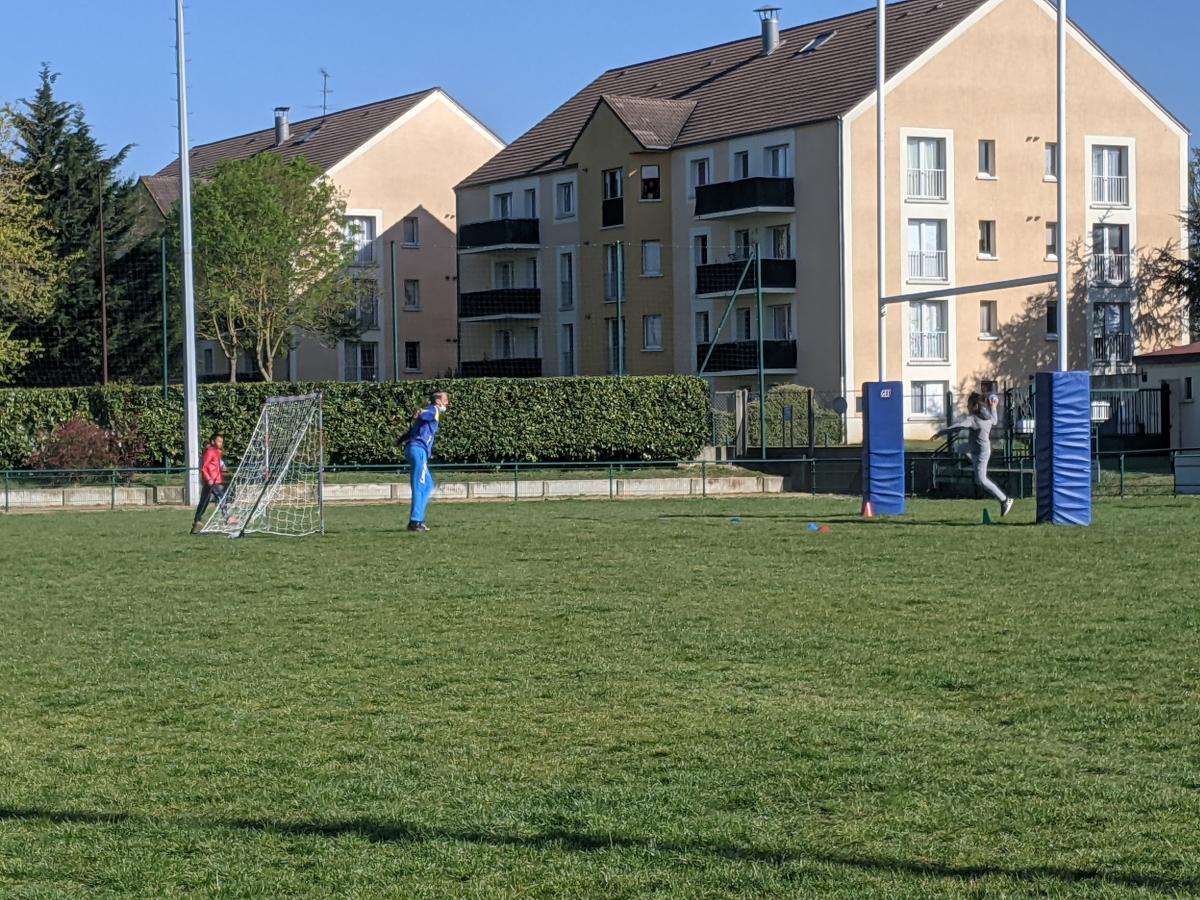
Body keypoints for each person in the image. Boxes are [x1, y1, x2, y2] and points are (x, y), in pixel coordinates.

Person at [937, 392, 1014, 518]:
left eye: (968, 405)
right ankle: (971, 459)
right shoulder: (987, 416)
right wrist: (993, 407)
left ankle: (1005, 500)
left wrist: (940, 432)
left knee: (982, 481)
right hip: (977, 449)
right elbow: (995, 421)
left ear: (975, 405)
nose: (967, 407)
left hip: (981, 453)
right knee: (959, 449)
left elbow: (958, 427)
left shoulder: (973, 420)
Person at [402, 391, 449, 532]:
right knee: (420, 485)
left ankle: (418, 519)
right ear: (438, 401)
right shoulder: (433, 410)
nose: (447, 403)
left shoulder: (432, 411)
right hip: (418, 450)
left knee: (428, 485)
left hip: (415, 450)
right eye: (446, 400)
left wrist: (400, 440)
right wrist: (421, 412)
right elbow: (425, 414)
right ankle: (415, 522)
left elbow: (413, 431)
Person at [192, 432, 237, 533]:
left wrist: (222, 468)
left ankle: (197, 520)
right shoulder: (210, 452)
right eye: (219, 441)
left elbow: (215, 465)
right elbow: (204, 467)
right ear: (213, 442)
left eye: (222, 442)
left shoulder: (218, 452)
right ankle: (228, 518)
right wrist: (209, 479)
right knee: (221, 496)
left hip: (214, 480)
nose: (221, 443)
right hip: (212, 481)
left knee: (204, 501)